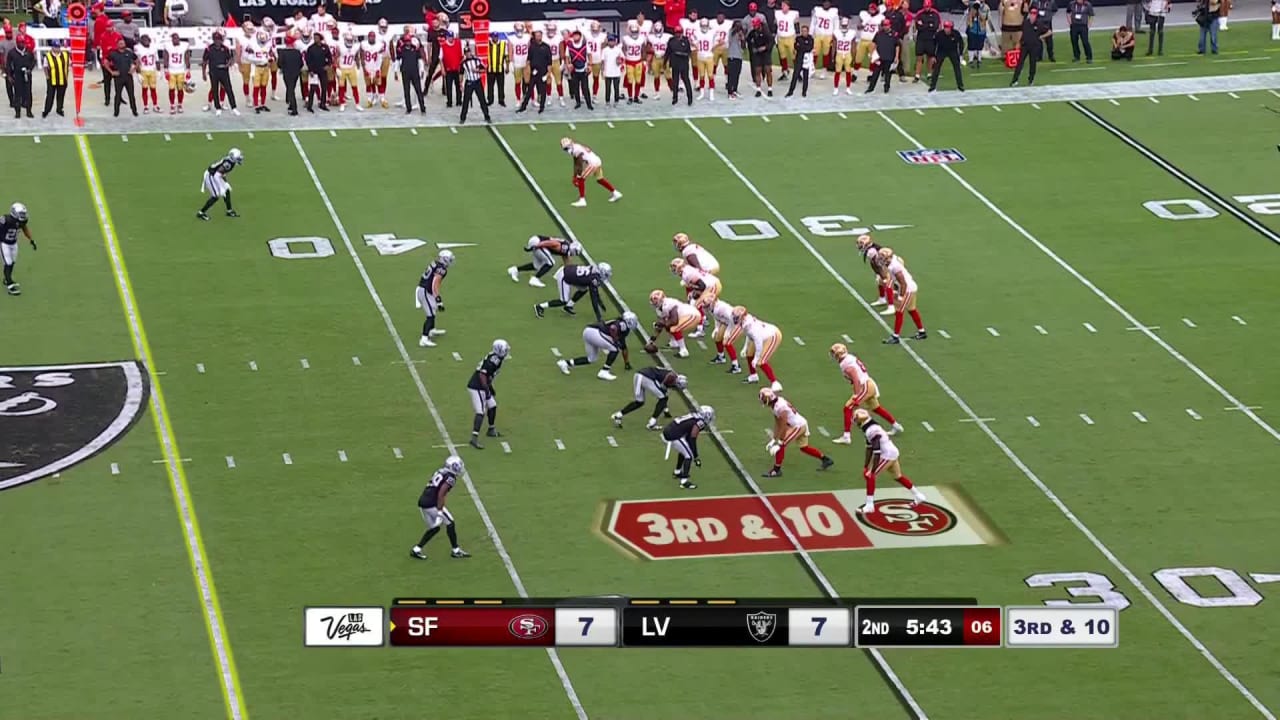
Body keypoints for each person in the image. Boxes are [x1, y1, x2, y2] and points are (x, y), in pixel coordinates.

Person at [854, 408, 927, 515]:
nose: (855, 422)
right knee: (898, 476)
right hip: (892, 452)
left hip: (887, 454)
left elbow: (877, 451)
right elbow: (869, 448)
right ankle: (919, 496)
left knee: (870, 476)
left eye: (856, 419)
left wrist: (872, 470)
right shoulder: (869, 427)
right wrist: (865, 466)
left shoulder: (872, 430)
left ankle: (869, 505)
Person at [759, 388, 833, 478]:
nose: (762, 400)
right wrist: (774, 439)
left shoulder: (780, 407)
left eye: (763, 398)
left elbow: (783, 426)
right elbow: (777, 422)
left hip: (798, 426)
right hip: (799, 424)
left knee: (782, 444)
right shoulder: (776, 404)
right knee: (804, 447)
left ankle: (776, 470)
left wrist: (779, 442)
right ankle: (826, 459)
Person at [410, 455, 471, 560]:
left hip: (423, 501)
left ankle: (416, 549)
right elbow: (441, 494)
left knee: (434, 528)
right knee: (450, 523)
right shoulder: (450, 478)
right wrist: (439, 510)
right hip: (432, 504)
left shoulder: (441, 471)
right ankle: (455, 550)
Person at [557, 313, 638, 381]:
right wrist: (615, 340)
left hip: (589, 331)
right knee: (614, 349)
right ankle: (604, 371)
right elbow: (613, 328)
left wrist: (626, 363)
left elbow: (623, 346)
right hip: (595, 332)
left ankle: (565, 363)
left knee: (591, 359)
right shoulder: (623, 325)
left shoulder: (620, 324)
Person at [466, 339, 510, 450]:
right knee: (480, 412)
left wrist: (490, 388)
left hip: (483, 385)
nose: (506, 351)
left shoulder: (497, 358)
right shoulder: (494, 360)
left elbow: (488, 375)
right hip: (477, 387)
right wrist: (486, 389)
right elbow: (482, 374)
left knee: (492, 406)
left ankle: (491, 429)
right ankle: (474, 438)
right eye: (505, 350)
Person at [612, 367, 686, 430]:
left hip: (638, 375)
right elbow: (663, 393)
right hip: (646, 377)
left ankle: (618, 415)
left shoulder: (669, 376)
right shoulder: (671, 377)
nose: (676, 388)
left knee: (639, 402)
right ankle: (652, 423)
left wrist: (666, 411)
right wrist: (666, 411)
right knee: (663, 398)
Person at [661, 406, 715, 490]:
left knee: (685, 451)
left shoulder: (694, 416)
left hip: (668, 431)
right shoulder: (700, 422)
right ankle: (684, 482)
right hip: (673, 435)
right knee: (689, 456)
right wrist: (696, 456)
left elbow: (689, 436)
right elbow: (692, 438)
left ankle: (677, 472)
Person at [415, 249, 454, 346]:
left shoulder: (436, 263)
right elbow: (435, 284)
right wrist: (438, 299)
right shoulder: (442, 269)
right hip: (424, 291)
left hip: (424, 289)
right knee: (430, 315)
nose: (451, 261)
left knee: (433, 308)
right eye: (449, 259)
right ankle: (424, 339)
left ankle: (431, 330)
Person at [197, 148, 242, 221]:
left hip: (216, 175)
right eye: (238, 157)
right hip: (210, 175)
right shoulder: (229, 163)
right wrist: (221, 188)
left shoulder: (230, 162)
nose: (240, 158)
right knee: (216, 195)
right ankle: (201, 213)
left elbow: (223, 173)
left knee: (226, 190)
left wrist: (226, 183)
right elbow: (217, 175)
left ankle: (229, 211)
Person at [0, 202, 34, 296]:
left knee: (13, 262)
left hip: (13, 243)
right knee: (8, 262)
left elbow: (25, 229)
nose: (23, 216)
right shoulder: (5, 219)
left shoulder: (22, 222)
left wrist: (31, 239)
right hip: (4, 244)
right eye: (21, 214)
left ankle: (7, 279)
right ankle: (10, 285)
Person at [203, 31, 238, 115]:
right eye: (216, 39)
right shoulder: (209, 49)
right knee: (215, 89)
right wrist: (203, 73)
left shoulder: (225, 48)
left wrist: (228, 64)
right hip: (213, 71)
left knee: (228, 89)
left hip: (223, 71)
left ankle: (234, 107)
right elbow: (204, 61)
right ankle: (217, 107)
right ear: (213, 40)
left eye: (219, 39)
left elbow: (230, 58)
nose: (217, 41)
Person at [394, 26, 425, 113]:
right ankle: (408, 108)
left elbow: (419, 59)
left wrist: (422, 70)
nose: (407, 43)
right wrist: (395, 72)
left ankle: (422, 107)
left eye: (408, 41)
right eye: (406, 41)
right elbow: (398, 59)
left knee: (418, 90)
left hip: (414, 71)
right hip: (405, 71)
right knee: (406, 90)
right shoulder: (401, 50)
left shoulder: (415, 49)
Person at [517, 29, 550, 113]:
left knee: (542, 91)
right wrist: (527, 70)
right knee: (529, 90)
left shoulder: (546, 47)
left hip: (543, 72)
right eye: (537, 35)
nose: (538, 37)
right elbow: (528, 59)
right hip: (534, 72)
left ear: (542, 36)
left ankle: (541, 107)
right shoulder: (532, 47)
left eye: (540, 35)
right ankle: (523, 107)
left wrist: (547, 74)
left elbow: (550, 62)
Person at [864, 19, 899, 94]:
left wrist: (896, 57)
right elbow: (874, 44)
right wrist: (871, 53)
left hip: (889, 57)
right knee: (875, 73)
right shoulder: (878, 33)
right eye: (884, 25)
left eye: (886, 25)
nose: (885, 27)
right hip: (879, 57)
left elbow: (897, 46)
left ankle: (886, 87)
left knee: (887, 74)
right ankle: (871, 88)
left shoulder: (894, 34)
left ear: (890, 25)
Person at [928, 20, 965, 92]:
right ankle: (932, 87)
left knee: (957, 68)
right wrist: (933, 55)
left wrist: (960, 54)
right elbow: (933, 44)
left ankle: (960, 86)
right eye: (945, 27)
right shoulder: (939, 34)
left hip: (952, 51)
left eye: (948, 27)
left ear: (951, 28)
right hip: (941, 51)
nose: (946, 29)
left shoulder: (956, 34)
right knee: (936, 68)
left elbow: (961, 43)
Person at [458, 43, 490, 124]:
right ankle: (462, 118)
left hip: (477, 81)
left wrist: (477, 71)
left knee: (482, 99)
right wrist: (460, 84)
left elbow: (484, 70)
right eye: (466, 53)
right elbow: (461, 74)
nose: (468, 54)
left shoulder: (477, 60)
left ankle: (487, 116)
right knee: (466, 101)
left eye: (468, 52)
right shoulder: (463, 63)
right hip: (469, 82)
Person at [106, 37, 137, 117]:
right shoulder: (113, 53)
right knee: (118, 95)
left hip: (128, 76)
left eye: (123, 43)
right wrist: (111, 72)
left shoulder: (129, 52)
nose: (121, 44)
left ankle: (134, 110)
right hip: (118, 77)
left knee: (131, 94)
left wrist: (134, 69)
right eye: (120, 43)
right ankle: (116, 112)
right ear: (117, 45)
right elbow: (105, 62)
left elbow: (137, 60)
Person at [5, 35, 34, 118]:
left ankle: (29, 111)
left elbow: (33, 61)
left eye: (23, 42)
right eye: (21, 43)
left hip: (27, 75)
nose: (22, 44)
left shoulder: (28, 51)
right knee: (17, 94)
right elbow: (8, 65)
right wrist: (9, 75)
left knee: (28, 93)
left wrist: (30, 69)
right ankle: (17, 112)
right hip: (17, 75)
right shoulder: (12, 53)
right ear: (17, 43)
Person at [913, 0, 940, 82]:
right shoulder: (920, 13)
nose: (926, 8)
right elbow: (918, 26)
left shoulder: (935, 14)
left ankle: (929, 74)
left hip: (931, 39)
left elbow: (935, 26)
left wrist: (924, 25)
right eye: (925, 7)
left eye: (928, 6)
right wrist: (928, 25)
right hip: (921, 38)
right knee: (919, 57)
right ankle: (917, 75)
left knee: (930, 57)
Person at [277, 30, 303, 115]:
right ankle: (291, 105)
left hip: (287, 73)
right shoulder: (297, 52)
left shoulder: (282, 52)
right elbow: (301, 63)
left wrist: (283, 68)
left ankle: (294, 108)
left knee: (290, 90)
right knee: (291, 89)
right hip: (295, 73)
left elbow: (279, 64)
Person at [666, 24, 693, 105]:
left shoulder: (685, 40)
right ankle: (675, 98)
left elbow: (688, 51)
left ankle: (690, 98)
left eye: (679, 32)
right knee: (675, 82)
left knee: (686, 80)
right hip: (675, 63)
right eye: (676, 32)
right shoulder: (671, 40)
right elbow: (668, 51)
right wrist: (665, 62)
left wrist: (680, 53)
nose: (678, 34)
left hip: (684, 64)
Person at [746, 17, 773, 97]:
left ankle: (770, 88)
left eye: (755, 26)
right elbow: (748, 40)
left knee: (768, 70)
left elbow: (771, 42)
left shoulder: (766, 32)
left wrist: (765, 47)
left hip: (765, 54)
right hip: (757, 54)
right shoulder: (753, 33)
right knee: (757, 71)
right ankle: (758, 89)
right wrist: (752, 49)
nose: (754, 27)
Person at [42, 38, 69, 117]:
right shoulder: (48, 56)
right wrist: (47, 77)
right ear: (52, 47)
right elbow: (45, 67)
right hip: (52, 80)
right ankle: (46, 110)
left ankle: (59, 109)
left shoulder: (65, 55)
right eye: (56, 47)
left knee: (61, 96)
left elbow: (68, 65)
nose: (57, 49)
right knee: (50, 96)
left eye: (58, 47)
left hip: (63, 79)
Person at [565, 29, 591, 109]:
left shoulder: (585, 45)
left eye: (577, 35)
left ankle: (589, 104)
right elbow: (567, 57)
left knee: (585, 88)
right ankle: (578, 102)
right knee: (575, 87)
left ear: (580, 36)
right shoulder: (569, 46)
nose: (576, 37)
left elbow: (589, 55)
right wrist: (568, 65)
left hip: (583, 70)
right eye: (574, 35)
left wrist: (589, 65)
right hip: (574, 70)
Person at [786, 24, 813, 96]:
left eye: (805, 31)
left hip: (806, 60)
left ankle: (804, 92)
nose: (804, 32)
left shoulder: (810, 38)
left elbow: (809, 48)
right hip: (799, 59)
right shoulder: (798, 38)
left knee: (805, 76)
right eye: (802, 31)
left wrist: (801, 47)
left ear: (808, 31)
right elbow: (796, 47)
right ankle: (790, 91)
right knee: (795, 75)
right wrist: (803, 47)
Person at [439, 32, 463, 108]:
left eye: (452, 37)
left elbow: (462, 56)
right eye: (449, 37)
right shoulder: (443, 46)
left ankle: (459, 101)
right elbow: (440, 58)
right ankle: (449, 102)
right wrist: (442, 69)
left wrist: (462, 69)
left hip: (457, 68)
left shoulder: (458, 43)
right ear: (447, 37)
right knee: (449, 86)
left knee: (458, 85)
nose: (451, 38)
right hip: (448, 69)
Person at [486, 31, 508, 107]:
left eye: (496, 37)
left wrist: (507, 67)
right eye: (493, 37)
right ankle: (490, 100)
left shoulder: (503, 44)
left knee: (501, 85)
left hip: (500, 68)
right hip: (490, 69)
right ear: (491, 37)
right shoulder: (487, 45)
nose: (495, 38)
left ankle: (501, 100)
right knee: (490, 86)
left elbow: (506, 56)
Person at [601, 34, 622, 105]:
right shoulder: (605, 50)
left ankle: (616, 100)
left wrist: (620, 62)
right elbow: (603, 61)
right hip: (608, 72)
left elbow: (622, 58)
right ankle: (607, 101)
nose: (611, 42)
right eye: (610, 41)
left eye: (612, 41)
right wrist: (602, 71)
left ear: (615, 42)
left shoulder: (618, 50)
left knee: (616, 88)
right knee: (608, 88)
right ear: (608, 42)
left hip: (616, 72)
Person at [725, 20, 745, 98]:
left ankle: (735, 90)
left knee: (737, 74)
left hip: (739, 56)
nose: (738, 27)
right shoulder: (731, 32)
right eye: (737, 25)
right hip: (732, 56)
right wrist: (737, 32)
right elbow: (731, 36)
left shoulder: (741, 34)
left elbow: (743, 46)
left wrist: (742, 39)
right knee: (731, 75)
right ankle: (730, 92)